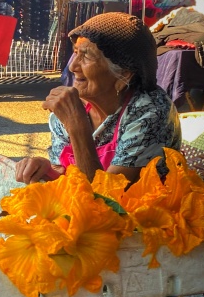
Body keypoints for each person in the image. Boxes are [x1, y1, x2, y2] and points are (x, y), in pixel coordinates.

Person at [16, 12, 181, 185]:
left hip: (143, 209)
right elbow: (69, 178)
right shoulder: (70, 106)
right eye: (75, 53)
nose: (72, 66)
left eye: (86, 56)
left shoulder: (149, 113)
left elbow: (106, 200)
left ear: (124, 74)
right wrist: (46, 170)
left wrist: (77, 125)